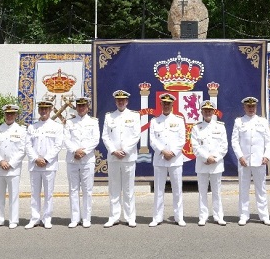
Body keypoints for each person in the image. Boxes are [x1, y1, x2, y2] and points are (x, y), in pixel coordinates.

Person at [101, 89, 141, 228]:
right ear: (115, 101)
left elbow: (136, 135)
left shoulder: (134, 116)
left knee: (129, 189)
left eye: (123, 100)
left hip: (128, 157)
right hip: (113, 157)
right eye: (118, 100)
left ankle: (130, 217)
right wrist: (113, 151)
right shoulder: (109, 117)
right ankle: (114, 216)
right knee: (114, 188)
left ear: (127, 101)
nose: (121, 102)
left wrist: (124, 151)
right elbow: (105, 136)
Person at [231, 96, 270, 226]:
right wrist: (240, 156)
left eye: (253, 106)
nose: (251, 108)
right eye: (248, 106)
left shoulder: (262, 121)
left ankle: (264, 215)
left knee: (261, 189)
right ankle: (244, 215)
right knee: (243, 189)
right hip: (244, 161)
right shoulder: (239, 122)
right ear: (244, 107)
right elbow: (234, 141)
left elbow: (269, 141)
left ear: (256, 107)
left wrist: (266, 156)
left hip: (259, 160)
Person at [25, 95, 64, 229]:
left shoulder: (57, 127)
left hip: (49, 165)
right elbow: (28, 145)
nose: (43, 111)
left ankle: (47, 218)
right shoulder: (32, 127)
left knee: (48, 194)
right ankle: (35, 218)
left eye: (46, 109)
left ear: (51, 109)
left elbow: (58, 145)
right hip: (35, 165)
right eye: (41, 109)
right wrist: (36, 158)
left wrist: (46, 159)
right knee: (34, 193)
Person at [149, 93, 187, 227]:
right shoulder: (154, 121)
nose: (166, 105)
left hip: (175, 160)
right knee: (159, 189)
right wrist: (162, 151)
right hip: (160, 159)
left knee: (177, 189)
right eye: (164, 103)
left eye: (168, 103)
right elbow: (152, 140)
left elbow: (182, 139)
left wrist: (173, 152)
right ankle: (157, 217)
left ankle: (179, 217)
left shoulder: (179, 120)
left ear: (172, 105)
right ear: (160, 104)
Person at [0, 103, 26, 229]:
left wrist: (11, 163)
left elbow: (22, 150)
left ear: (15, 115)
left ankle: (13, 220)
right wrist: (0, 161)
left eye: (12, 114)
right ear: (4, 114)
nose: (9, 116)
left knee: (13, 195)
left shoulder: (21, 130)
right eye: (7, 114)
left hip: (13, 168)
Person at [190, 101, 228, 226]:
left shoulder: (220, 126)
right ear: (201, 112)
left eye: (210, 110)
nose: (207, 112)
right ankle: (203, 216)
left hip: (216, 165)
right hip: (202, 164)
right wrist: (206, 157)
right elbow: (195, 147)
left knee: (217, 192)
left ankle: (218, 216)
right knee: (202, 192)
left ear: (213, 112)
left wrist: (214, 159)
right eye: (205, 110)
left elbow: (224, 146)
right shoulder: (196, 127)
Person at [64, 96, 100, 228]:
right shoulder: (69, 123)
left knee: (87, 190)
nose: (81, 108)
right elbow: (66, 139)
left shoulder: (93, 121)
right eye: (79, 106)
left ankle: (86, 218)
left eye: (83, 106)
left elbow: (95, 139)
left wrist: (83, 152)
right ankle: (74, 218)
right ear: (76, 107)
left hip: (87, 160)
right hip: (73, 159)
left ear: (87, 107)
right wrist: (75, 151)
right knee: (73, 189)